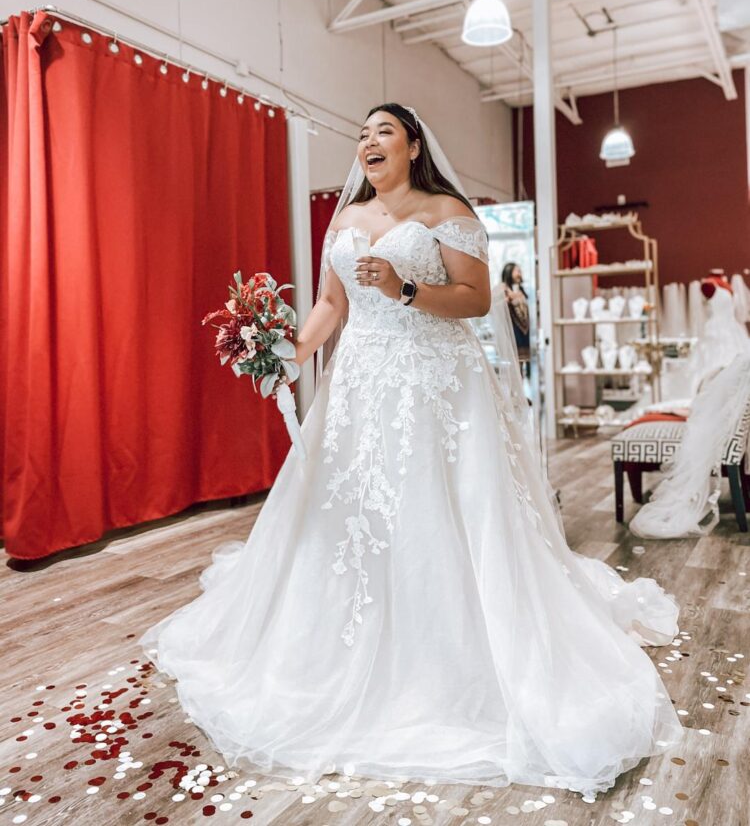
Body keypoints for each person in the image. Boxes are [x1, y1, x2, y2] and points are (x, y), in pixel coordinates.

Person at [141, 103, 683, 797]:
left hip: (437, 388)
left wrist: (403, 288)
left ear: (413, 145)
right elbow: (333, 304)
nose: (368, 142)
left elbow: (473, 298)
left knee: (440, 515)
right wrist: (291, 354)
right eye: (362, 133)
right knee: (349, 518)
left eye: (383, 132)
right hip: (361, 386)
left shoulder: (443, 210)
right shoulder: (344, 220)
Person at [501, 261, 531, 365]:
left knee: (523, 362)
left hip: (524, 332)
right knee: (514, 363)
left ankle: (522, 380)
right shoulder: (504, 290)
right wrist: (507, 300)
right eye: (517, 271)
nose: (520, 274)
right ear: (509, 272)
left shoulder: (521, 291)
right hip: (513, 331)